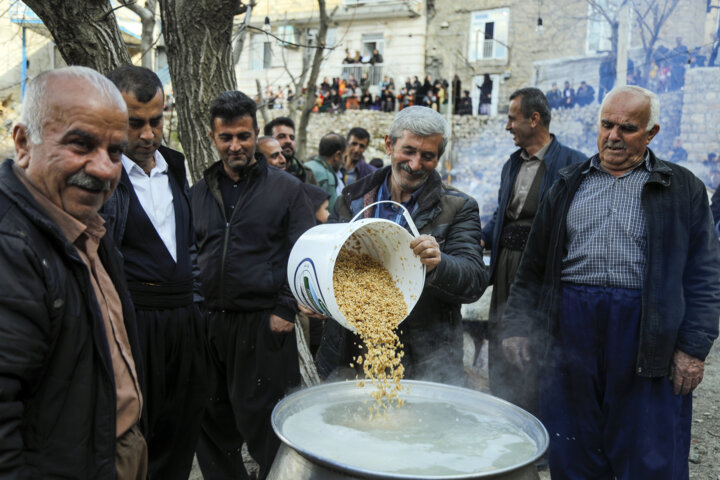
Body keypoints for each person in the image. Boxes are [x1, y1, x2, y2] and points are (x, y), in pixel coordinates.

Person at [501, 86, 720, 478]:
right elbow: (533, 266)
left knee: (649, 451)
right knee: (574, 446)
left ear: (651, 133)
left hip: (645, 330)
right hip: (572, 325)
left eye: (628, 128)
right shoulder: (567, 183)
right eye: (607, 125)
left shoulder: (681, 188)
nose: (614, 136)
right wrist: (518, 326)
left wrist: (693, 348)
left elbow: (705, 274)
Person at [1, 66, 147, 478]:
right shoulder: (11, 246)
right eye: (81, 144)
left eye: (115, 151)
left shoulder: (87, 226)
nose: (103, 169)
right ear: (24, 142)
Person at [316, 106, 488, 386]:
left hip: (425, 358)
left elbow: (474, 281)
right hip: (350, 351)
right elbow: (326, 261)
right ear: (388, 144)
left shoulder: (458, 207)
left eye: (427, 156)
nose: (416, 164)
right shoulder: (351, 199)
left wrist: (439, 263)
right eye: (408, 150)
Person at [192, 91, 316, 480]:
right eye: (226, 137)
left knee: (269, 426)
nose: (236, 146)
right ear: (213, 138)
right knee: (209, 422)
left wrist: (284, 309)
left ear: (255, 133)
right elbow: (189, 252)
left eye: (243, 136)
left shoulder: (285, 189)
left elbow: (304, 253)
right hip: (210, 325)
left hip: (263, 325)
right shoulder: (198, 192)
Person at [102, 65, 207, 480]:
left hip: (186, 324)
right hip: (134, 328)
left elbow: (189, 246)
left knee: (181, 435)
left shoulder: (176, 168)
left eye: (156, 121)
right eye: (135, 124)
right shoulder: (103, 181)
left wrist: (195, 304)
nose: (148, 135)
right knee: (134, 440)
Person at [481, 87, 585, 415]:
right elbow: (503, 213)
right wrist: (482, 237)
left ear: (534, 119)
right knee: (501, 336)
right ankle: (504, 417)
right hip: (505, 266)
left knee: (534, 342)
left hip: (543, 270)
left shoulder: (573, 164)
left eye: (512, 119)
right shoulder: (511, 164)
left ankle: (536, 427)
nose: (508, 126)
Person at [263, 116, 317, 184]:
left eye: (292, 137)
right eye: (281, 136)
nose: (289, 141)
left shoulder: (306, 174)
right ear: (268, 141)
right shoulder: (257, 175)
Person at [305, 132, 347, 212]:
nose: (343, 163)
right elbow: (332, 215)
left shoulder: (306, 166)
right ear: (337, 155)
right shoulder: (327, 177)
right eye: (344, 157)